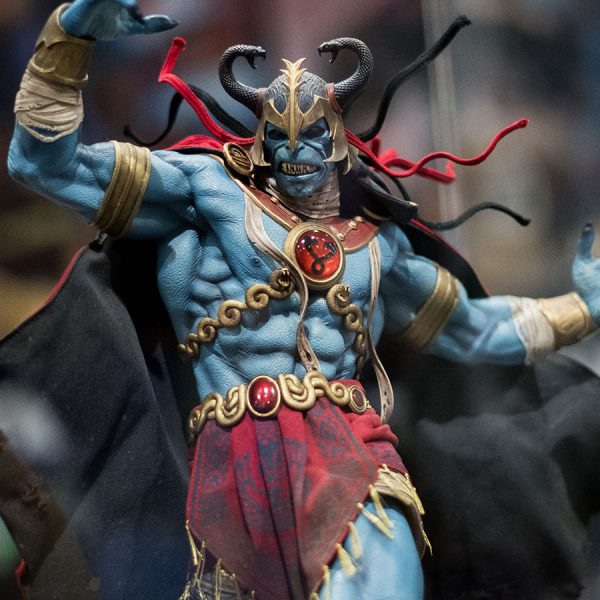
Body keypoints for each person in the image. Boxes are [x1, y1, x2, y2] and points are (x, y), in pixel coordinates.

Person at [7, 1, 600, 598]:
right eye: (279, 135)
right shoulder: (205, 193)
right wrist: (66, 41)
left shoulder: (377, 245)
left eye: (311, 134)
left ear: (337, 137)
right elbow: (44, 165)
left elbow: (476, 328)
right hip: (230, 464)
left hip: (352, 452)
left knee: (384, 584)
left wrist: (585, 309)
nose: (294, 150)